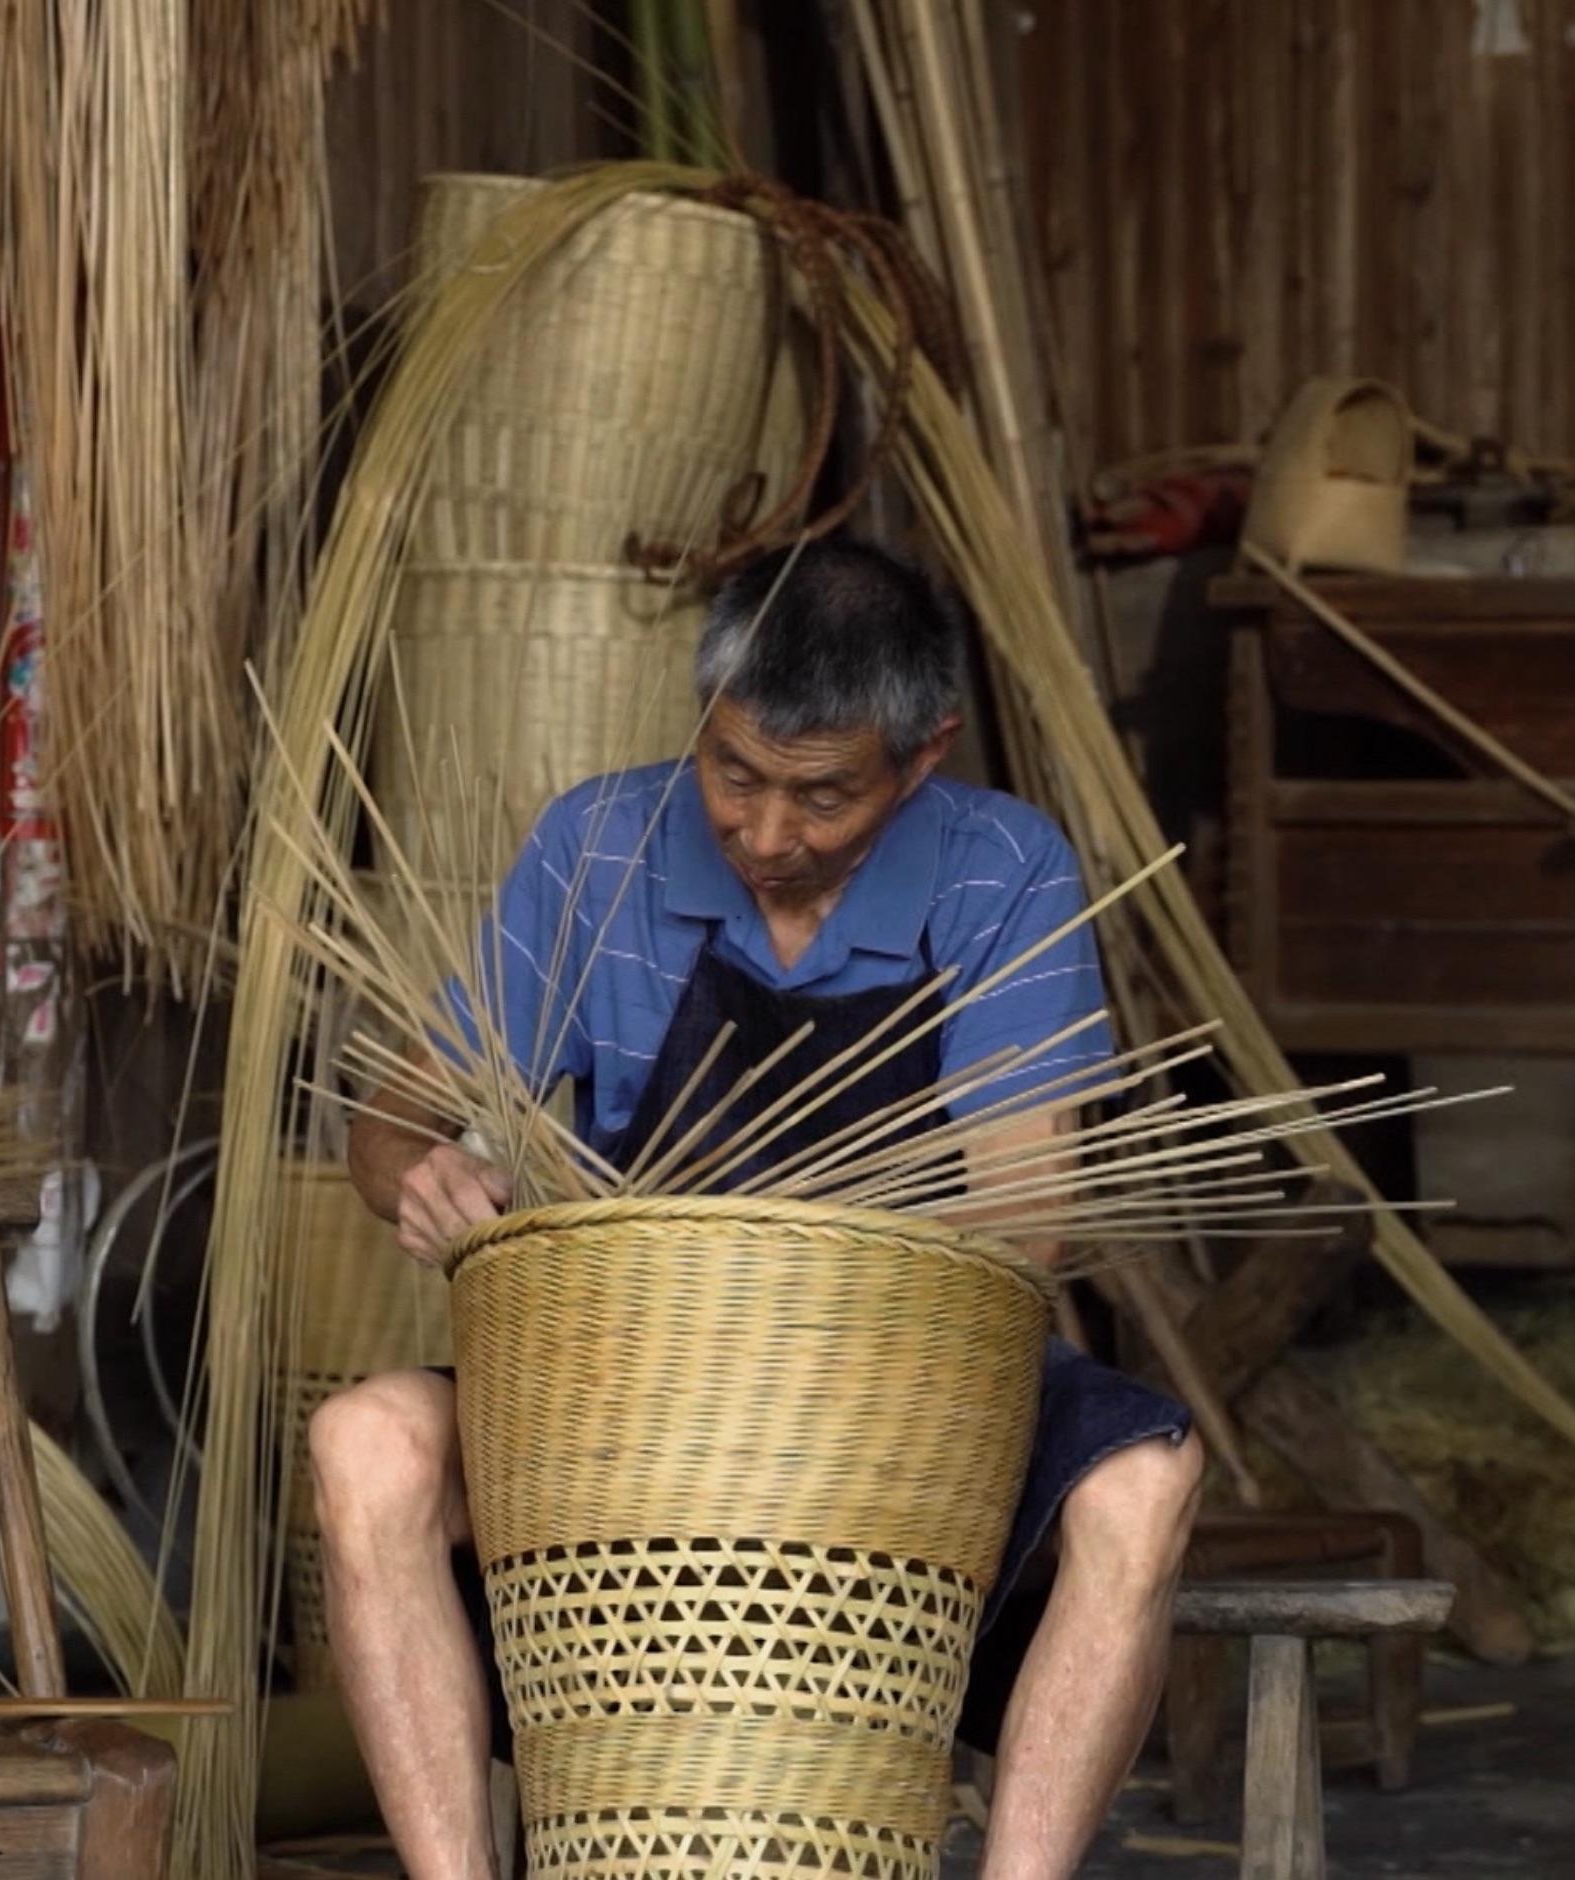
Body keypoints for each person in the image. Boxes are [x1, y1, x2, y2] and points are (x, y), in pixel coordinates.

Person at [311, 537, 1203, 1880]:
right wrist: (427, 1179)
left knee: (1143, 1479)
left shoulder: (1001, 872)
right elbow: (391, 1119)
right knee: (365, 1443)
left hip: (913, 1394)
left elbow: (1025, 1224)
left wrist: (792, 1325)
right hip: (622, 1396)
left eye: (824, 794)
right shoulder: (597, 847)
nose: (767, 834)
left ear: (923, 756)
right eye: (735, 776)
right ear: (703, 718)